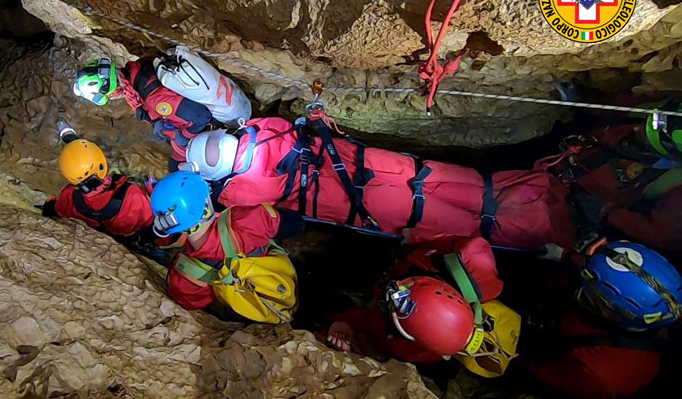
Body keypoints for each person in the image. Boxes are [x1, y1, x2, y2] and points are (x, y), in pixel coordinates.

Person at [183, 116, 575, 250]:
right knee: (474, 186)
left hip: (367, 205)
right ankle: (543, 190)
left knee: (471, 225)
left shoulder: (241, 192)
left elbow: (240, 207)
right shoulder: (267, 129)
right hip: (381, 164)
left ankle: (544, 232)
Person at [520, 241, 681, 399]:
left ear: (608, 311)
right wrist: (567, 256)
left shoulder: (599, 373)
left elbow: (541, 372)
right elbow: (613, 272)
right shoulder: (663, 308)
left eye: (591, 294)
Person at [326, 236, 504, 363]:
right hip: (407, 254)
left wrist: (350, 332)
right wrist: (411, 237)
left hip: (393, 275)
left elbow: (378, 334)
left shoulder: (418, 347)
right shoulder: (470, 260)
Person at [149, 171, 304, 315]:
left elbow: (203, 309)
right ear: (205, 207)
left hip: (258, 312)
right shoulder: (246, 220)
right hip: (286, 280)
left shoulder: (184, 279)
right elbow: (296, 224)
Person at [544, 103, 682, 250]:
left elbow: (660, 235)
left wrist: (608, 212)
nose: (638, 128)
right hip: (575, 148)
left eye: (649, 138)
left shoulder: (675, 199)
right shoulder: (666, 116)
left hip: (583, 193)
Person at [72, 55, 213, 170]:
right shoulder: (137, 69)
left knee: (176, 170)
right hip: (182, 117)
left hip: (201, 131)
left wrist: (181, 137)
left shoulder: (155, 99)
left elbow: (201, 117)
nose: (112, 97)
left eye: (109, 95)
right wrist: (156, 122)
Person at [39, 121, 155, 241]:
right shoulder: (134, 195)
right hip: (129, 234)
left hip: (105, 233)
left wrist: (48, 207)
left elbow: (56, 210)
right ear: (102, 165)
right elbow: (153, 225)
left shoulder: (68, 196)